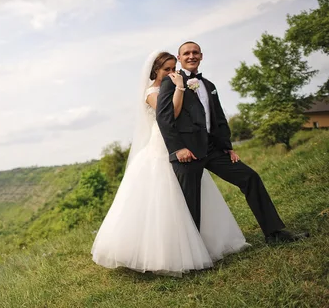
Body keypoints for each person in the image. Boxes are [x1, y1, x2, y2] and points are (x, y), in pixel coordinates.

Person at [91, 51, 249, 276]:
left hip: (185, 148)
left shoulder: (175, 85)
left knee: (192, 197)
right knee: (163, 202)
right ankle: (163, 253)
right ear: (155, 70)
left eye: (174, 68)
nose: (172, 73)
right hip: (160, 149)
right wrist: (181, 88)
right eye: (167, 69)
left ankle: (201, 244)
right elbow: (171, 114)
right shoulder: (152, 92)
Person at [156, 41, 309, 244]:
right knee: (190, 204)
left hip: (212, 149)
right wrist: (177, 149)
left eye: (195, 52)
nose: (191, 56)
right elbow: (164, 118)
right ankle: (191, 255)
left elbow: (218, 118)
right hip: (187, 153)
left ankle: (275, 233)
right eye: (187, 53)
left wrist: (227, 147)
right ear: (180, 57)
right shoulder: (171, 81)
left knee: (250, 177)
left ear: (201, 56)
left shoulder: (209, 85)